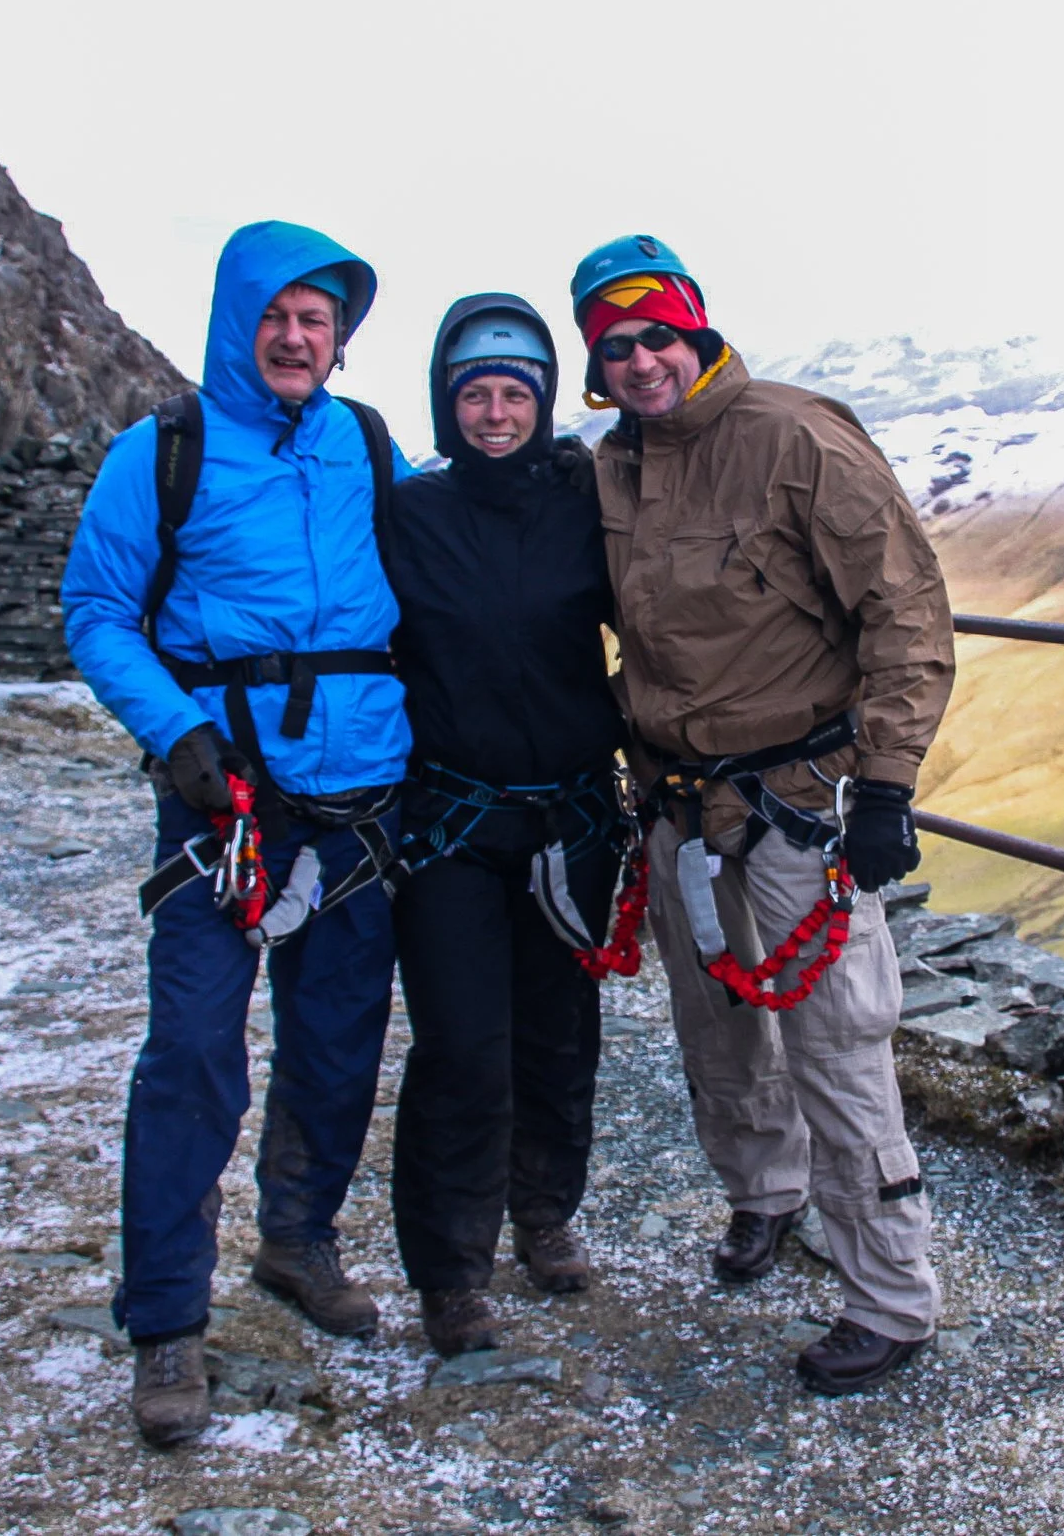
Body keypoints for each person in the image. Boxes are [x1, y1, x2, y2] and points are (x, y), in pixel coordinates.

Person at [572, 233, 955, 1395]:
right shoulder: (614, 467)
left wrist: (886, 781)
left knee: (835, 1041)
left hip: (802, 802)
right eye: (611, 344)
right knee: (718, 1033)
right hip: (679, 807)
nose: (638, 359)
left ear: (694, 327)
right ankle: (763, 1196)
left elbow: (906, 612)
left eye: (655, 334)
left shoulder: (794, 437)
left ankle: (889, 1294)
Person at [60, 220, 414, 1448]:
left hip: (360, 796)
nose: (297, 335)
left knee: (336, 1039)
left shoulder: (367, 446)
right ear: (236, 320)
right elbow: (99, 611)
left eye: (318, 319)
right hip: (225, 802)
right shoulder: (163, 451)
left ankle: (297, 1241)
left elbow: (428, 587)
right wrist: (176, 734)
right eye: (277, 314)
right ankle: (164, 1317)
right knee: (195, 1052)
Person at [386, 294, 628, 1356]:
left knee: (559, 1033)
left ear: (542, 404)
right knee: (461, 1047)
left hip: (571, 817)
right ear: (448, 406)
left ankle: (544, 1212)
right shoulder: (408, 514)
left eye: (514, 394)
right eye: (475, 394)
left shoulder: (587, 501)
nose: (494, 413)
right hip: (451, 823)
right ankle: (451, 1270)